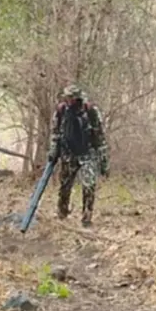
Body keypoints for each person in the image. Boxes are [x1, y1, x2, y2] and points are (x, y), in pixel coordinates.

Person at [49, 85, 108, 227]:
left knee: (89, 187)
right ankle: (62, 213)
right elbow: (55, 133)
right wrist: (53, 151)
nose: (68, 100)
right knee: (65, 186)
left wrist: (103, 161)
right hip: (68, 155)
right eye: (67, 98)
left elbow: (99, 136)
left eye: (71, 98)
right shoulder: (61, 111)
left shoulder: (91, 111)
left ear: (77, 98)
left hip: (87, 154)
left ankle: (86, 218)